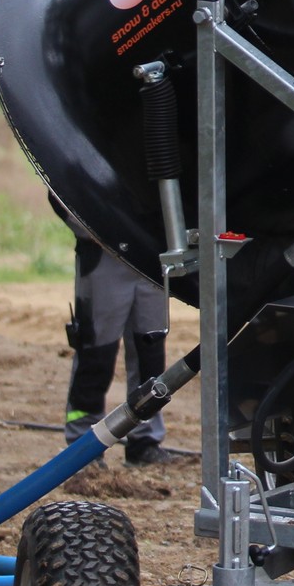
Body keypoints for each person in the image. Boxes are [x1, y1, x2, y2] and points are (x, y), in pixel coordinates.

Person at [53, 196, 174, 465]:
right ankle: (82, 447)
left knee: (151, 355)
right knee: (96, 352)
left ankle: (144, 442)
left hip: (151, 253)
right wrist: (91, 229)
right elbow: (58, 189)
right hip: (104, 254)